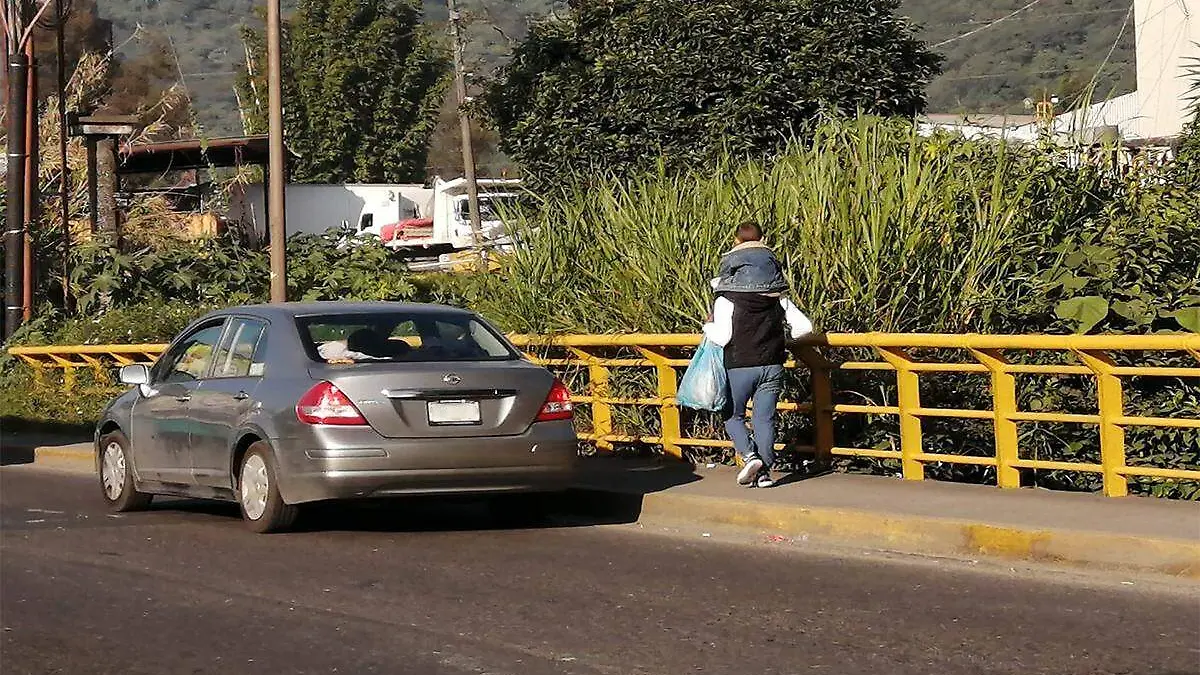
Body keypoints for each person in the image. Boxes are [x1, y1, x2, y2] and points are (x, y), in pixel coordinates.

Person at [702, 222, 812, 488]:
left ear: (735, 242)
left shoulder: (726, 298)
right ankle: (764, 475)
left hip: (740, 365)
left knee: (732, 415)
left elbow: (723, 337)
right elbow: (805, 328)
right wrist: (785, 340)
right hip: (773, 364)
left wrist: (706, 325)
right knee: (765, 418)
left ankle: (750, 456)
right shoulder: (777, 297)